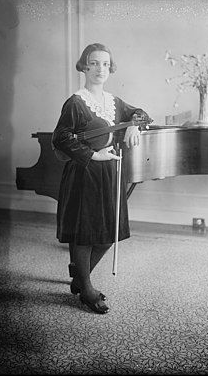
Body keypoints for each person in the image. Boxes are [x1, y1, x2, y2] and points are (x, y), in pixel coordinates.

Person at [52, 43, 149, 314]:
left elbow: (142, 113)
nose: (100, 69)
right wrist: (93, 156)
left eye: (105, 64)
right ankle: (87, 290)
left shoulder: (114, 102)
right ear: (84, 66)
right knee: (85, 234)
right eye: (94, 63)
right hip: (85, 173)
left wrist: (133, 124)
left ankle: (79, 279)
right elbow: (60, 138)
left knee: (108, 233)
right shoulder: (76, 102)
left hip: (110, 173)